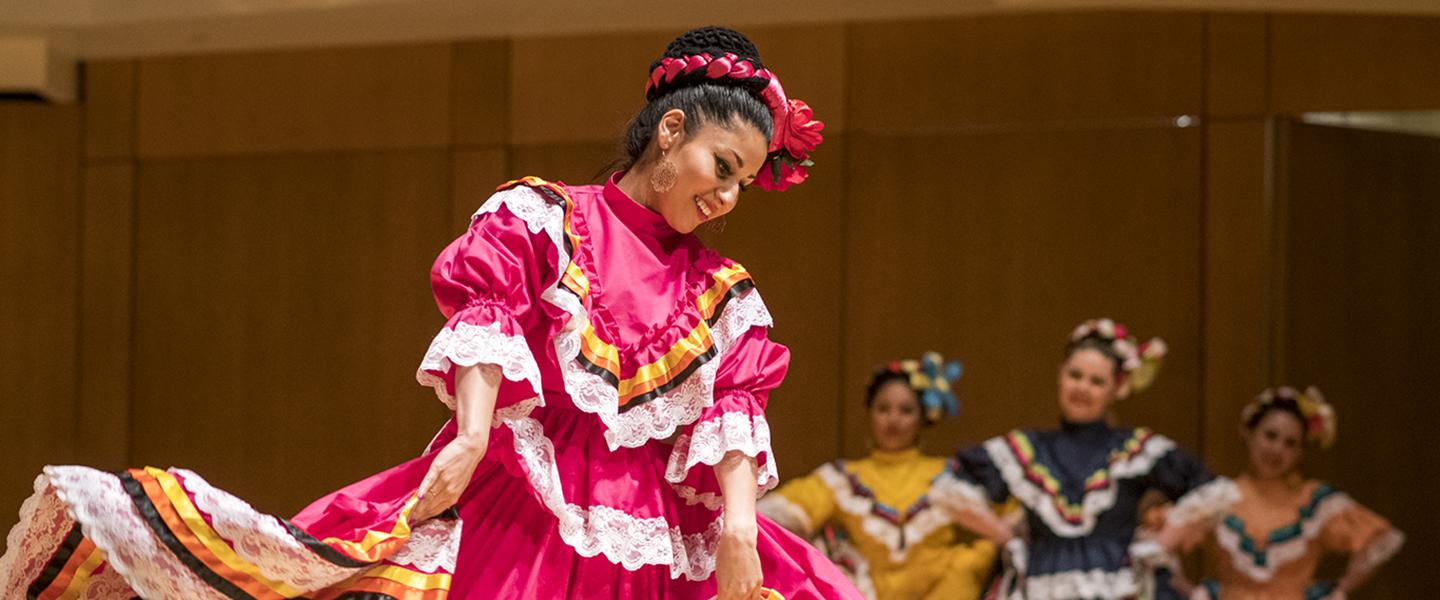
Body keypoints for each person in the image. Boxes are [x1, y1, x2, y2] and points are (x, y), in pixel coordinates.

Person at [0, 26, 861, 599]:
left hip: (663, 541)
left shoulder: (725, 292)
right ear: (670, 131)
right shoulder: (545, 218)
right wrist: (475, 435)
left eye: (745, 181)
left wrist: (743, 532)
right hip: (527, 506)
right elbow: (489, 312)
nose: (729, 195)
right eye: (723, 163)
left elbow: (734, 419)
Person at [930, 318, 1238, 599]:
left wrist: (1159, 545)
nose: (1082, 388)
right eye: (1075, 375)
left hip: (1118, 589)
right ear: (1060, 376)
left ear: (1116, 389)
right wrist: (1007, 537)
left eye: (1096, 381)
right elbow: (951, 485)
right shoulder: (1029, 447)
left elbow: (1210, 491)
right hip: (1040, 587)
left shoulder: (1132, 447)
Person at [758, 353, 999, 599]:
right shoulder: (844, 479)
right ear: (870, 413)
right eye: (883, 408)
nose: (893, 419)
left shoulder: (948, 475)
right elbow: (784, 509)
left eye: (905, 410)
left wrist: (970, 565)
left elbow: (1010, 523)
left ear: (922, 418)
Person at [1178, 386, 1404, 600]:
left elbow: (1379, 538)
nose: (1277, 450)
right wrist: (1192, 592)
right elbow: (1158, 541)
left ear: (1300, 453)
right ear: (1250, 433)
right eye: (1270, 436)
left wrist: (1340, 590)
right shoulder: (1220, 496)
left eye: (1290, 443)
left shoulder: (1314, 501)